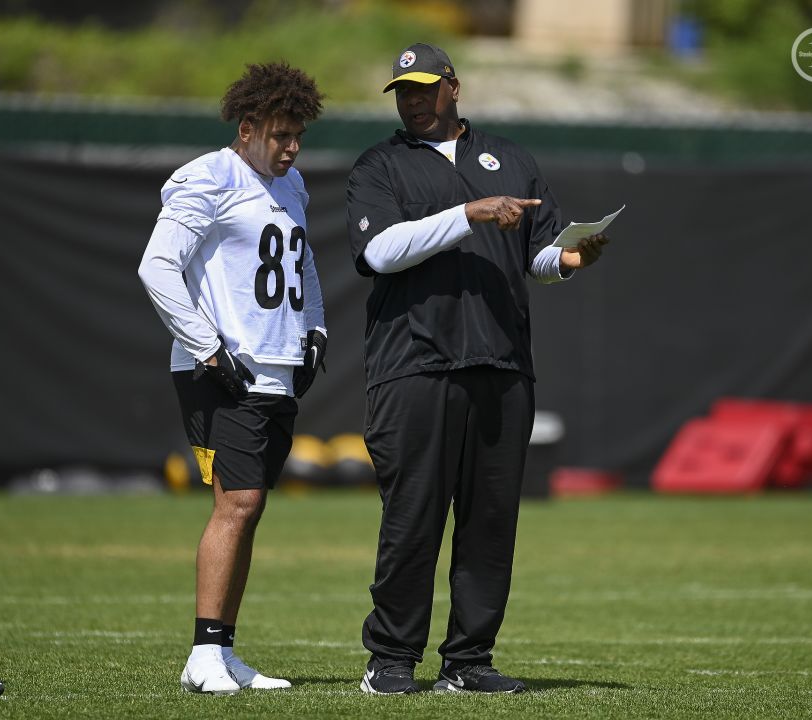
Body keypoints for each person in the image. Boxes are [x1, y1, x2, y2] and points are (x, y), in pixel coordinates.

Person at [346, 43, 609, 695]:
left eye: (424, 86)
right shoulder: (380, 165)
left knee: (491, 523)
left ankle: (468, 661)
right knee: (413, 518)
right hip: (415, 364)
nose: (412, 97)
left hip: (501, 362)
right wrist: (467, 214)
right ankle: (392, 661)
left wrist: (572, 259)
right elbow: (379, 251)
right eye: (402, 88)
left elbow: (538, 257)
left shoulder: (511, 158)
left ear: (453, 88)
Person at [138, 62, 327, 695]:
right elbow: (157, 267)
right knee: (237, 503)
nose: (292, 146)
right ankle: (202, 655)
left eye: (298, 134)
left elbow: (302, 264)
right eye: (280, 134)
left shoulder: (292, 183)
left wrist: (315, 330)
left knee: (251, 508)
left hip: (274, 368)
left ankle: (223, 651)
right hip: (220, 370)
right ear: (247, 129)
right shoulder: (208, 176)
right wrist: (209, 349)